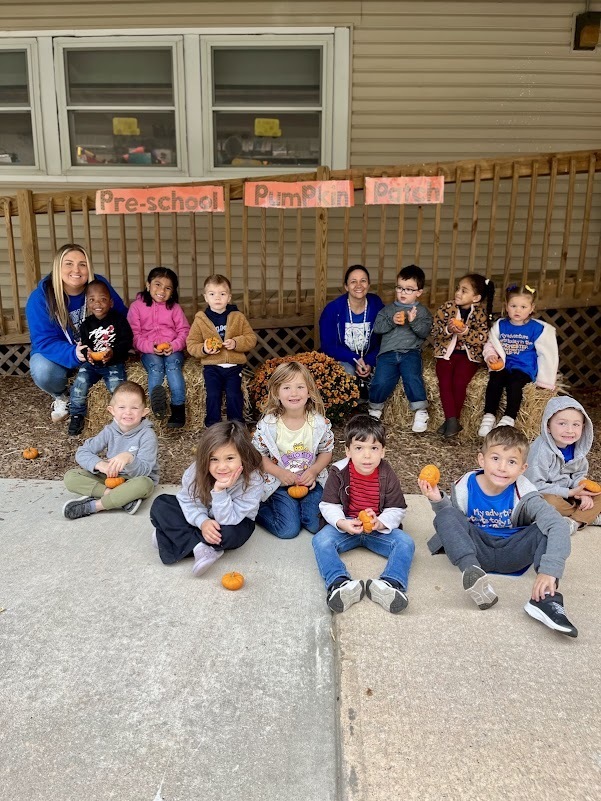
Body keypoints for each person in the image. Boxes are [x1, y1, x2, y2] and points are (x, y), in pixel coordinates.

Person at [419, 426, 577, 637]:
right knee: (446, 515)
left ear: (522, 468)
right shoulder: (464, 486)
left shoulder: (525, 493)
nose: (502, 468)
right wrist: (437, 500)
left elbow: (557, 525)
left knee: (549, 527)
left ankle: (545, 599)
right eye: (495, 458)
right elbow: (454, 525)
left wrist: (550, 570)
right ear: (481, 459)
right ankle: (472, 575)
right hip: (477, 552)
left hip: (513, 552)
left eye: (511, 462)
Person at [313, 415, 415, 614]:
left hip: (376, 528)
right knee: (320, 541)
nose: (367, 456)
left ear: (383, 451)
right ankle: (339, 583)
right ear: (348, 451)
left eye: (374, 448)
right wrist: (342, 523)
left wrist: (381, 522)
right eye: (359, 448)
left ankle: (390, 584)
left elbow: (397, 508)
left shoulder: (387, 473)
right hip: (348, 526)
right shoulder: (339, 471)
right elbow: (328, 505)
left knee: (405, 543)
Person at [25, 243, 127, 423]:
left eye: (82, 264)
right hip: (63, 353)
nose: (76, 270)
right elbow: (43, 341)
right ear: (58, 267)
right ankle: (62, 396)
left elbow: (122, 314)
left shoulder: (98, 286)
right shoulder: (40, 298)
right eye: (69, 264)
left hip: (98, 351)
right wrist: (74, 353)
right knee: (42, 369)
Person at [150, 421, 263, 576]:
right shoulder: (195, 471)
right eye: (214, 459)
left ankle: (171, 537)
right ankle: (200, 547)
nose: (222, 466)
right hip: (201, 517)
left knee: (232, 534)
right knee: (161, 504)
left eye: (230, 458)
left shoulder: (253, 480)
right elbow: (188, 500)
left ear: (243, 456)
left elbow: (229, 519)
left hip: (232, 521)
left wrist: (219, 491)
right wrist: (202, 522)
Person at [252, 361, 334, 539]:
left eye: (300, 387)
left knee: (316, 525)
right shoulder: (268, 426)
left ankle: (296, 510)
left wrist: (314, 470)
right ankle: (256, 508)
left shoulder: (319, 424)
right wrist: (279, 473)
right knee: (288, 530)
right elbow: (258, 455)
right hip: (279, 485)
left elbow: (326, 451)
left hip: (310, 483)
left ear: (309, 391)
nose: (294, 393)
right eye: (287, 387)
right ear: (276, 392)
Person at [62, 381, 158, 519]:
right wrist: (101, 465)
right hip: (110, 477)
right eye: (122, 407)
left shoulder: (147, 435)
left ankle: (94, 506)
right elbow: (82, 452)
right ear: (112, 410)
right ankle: (120, 497)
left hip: (134, 479)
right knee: (71, 477)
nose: (128, 412)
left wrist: (129, 458)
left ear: (144, 412)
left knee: (145, 484)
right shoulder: (109, 431)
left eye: (134, 408)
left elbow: (145, 471)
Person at [478, 284, 558, 437]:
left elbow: (547, 354)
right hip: (503, 365)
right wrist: (490, 355)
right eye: (513, 306)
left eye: (523, 307)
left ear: (531, 308)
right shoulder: (501, 325)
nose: (517, 310)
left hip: (523, 368)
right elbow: (490, 344)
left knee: (514, 384)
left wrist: (545, 381)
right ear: (506, 306)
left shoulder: (536, 329)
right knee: (495, 381)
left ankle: (509, 418)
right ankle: (488, 416)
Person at [368, 264, 433, 432]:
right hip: (387, 353)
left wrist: (413, 321)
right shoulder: (388, 310)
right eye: (400, 288)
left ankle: (420, 411)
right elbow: (377, 328)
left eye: (409, 289)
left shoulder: (422, 312)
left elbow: (424, 332)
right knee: (381, 380)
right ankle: (374, 409)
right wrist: (391, 321)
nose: (403, 292)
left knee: (412, 377)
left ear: (419, 292)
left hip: (410, 352)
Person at [186, 274, 256, 427]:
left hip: (233, 367)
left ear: (229, 297)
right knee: (213, 394)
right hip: (212, 367)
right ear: (206, 297)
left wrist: (236, 343)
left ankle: (236, 424)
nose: (217, 298)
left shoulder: (238, 317)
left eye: (222, 294)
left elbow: (251, 338)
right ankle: (213, 425)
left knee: (234, 394)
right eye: (212, 294)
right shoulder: (201, 320)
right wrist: (204, 349)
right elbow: (191, 344)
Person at [525, 396, 601, 534]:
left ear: (583, 427)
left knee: (598, 493)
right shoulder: (541, 451)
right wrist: (569, 492)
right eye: (562, 423)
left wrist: (582, 491)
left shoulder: (578, 449)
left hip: (570, 494)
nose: (570, 430)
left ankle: (575, 521)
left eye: (576, 424)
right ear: (548, 426)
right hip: (548, 493)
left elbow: (578, 475)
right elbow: (534, 485)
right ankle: (587, 516)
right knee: (547, 501)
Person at [431, 274, 495, 438]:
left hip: (468, 357)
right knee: (445, 381)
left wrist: (465, 332)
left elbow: (482, 338)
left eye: (464, 290)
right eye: (458, 289)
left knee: (459, 382)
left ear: (476, 298)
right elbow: (434, 331)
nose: (458, 293)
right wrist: (448, 330)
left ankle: (451, 420)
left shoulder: (480, 314)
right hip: (446, 355)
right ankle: (452, 420)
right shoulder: (446, 308)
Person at [127, 267, 190, 430]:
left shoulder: (175, 308)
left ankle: (178, 409)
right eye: (157, 284)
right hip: (149, 350)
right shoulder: (136, 307)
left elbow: (184, 331)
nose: (162, 291)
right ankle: (158, 406)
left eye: (168, 288)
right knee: (156, 367)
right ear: (148, 285)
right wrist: (150, 347)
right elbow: (134, 335)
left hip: (172, 349)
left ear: (173, 291)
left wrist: (174, 345)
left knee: (173, 366)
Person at [67, 281, 133, 436]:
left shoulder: (119, 320)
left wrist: (113, 352)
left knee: (117, 389)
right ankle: (76, 415)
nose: (97, 303)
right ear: (87, 303)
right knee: (80, 383)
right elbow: (84, 345)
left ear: (110, 302)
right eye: (92, 300)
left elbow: (127, 341)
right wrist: (88, 354)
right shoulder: (86, 325)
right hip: (92, 364)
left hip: (113, 362)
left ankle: (123, 419)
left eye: (102, 299)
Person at [318, 265, 384, 396]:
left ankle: (372, 403)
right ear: (346, 286)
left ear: (368, 285)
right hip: (343, 359)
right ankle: (349, 405)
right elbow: (328, 345)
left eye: (363, 281)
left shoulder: (377, 306)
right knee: (348, 371)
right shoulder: (333, 310)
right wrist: (355, 359)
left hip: (369, 358)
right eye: (353, 281)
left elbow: (383, 340)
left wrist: (369, 362)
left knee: (385, 371)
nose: (359, 285)